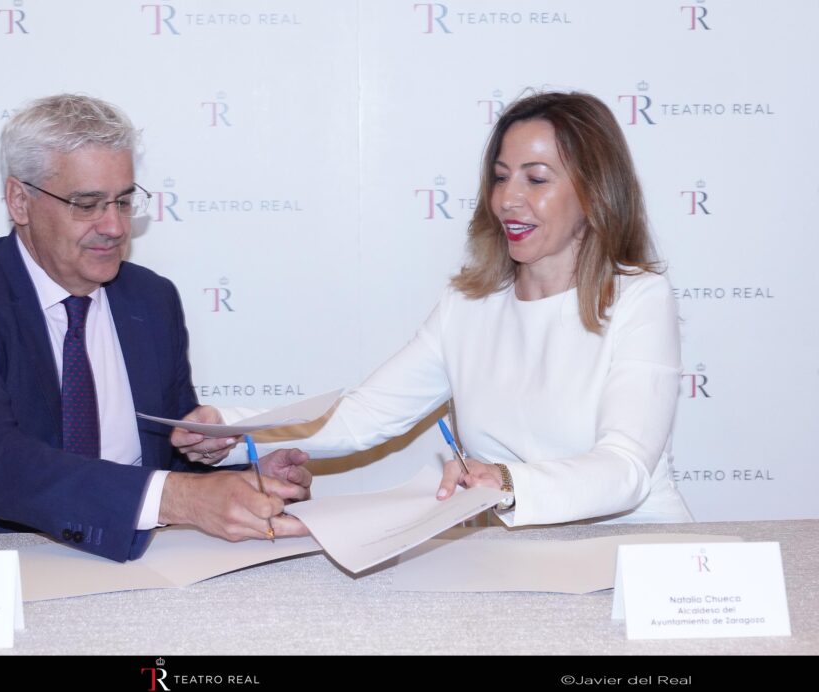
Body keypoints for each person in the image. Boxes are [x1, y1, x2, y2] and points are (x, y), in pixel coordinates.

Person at [175, 91, 693, 526]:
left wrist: (508, 482)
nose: (507, 199)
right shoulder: (467, 307)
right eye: (500, 176)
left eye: (536, 179)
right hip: (526, 565)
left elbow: (626, 468)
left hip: (641, 558)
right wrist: (229, 431)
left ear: (595, 193)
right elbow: (362, 416)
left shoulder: (639, 299)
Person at [0, 94, 310, 561]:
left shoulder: (151, 300)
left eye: (124, 200)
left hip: (129, 561)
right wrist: (183, 497)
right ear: (20, 200)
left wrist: (234, 473)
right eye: (87, 203)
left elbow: (165, 461)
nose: (114, 226)